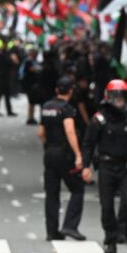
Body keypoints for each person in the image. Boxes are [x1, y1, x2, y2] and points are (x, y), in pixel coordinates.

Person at [81, 79, 127, 253]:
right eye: (115, 97)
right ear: (108, 97)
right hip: (106, 165)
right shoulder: (99, 119)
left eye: (121, 97)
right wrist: (86, 166)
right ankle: (110, 239)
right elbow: (88, 144)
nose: (118, 101)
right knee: (106, 206)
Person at [39, 76, 86, 241]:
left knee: (51, 193)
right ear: (71, 91)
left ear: (57, 90)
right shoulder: (67, 109)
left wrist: (49, 146)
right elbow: (70, 131)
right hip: (64, 154)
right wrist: (78, 154)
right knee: (77, 188)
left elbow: (41, 133)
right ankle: (70, 225)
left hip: (49, 153)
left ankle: (51, 231)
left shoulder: (46, 107)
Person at [0, 39, 18, 117]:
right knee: (0, 94)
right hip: (3, 77)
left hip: (5, 76)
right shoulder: (3, 54)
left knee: (5, 94)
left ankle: (7, 111)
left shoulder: (4, 53)